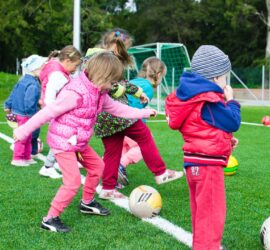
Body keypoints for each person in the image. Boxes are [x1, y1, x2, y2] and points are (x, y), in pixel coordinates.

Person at [13, 52, 157, 233]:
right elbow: (47, 112)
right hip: (63, 142)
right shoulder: (75, 93)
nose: (115, 86)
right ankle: (50, 219)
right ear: (102, 76)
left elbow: (117, 109)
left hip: (78, 142)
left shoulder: (100, 92)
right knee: (72, 182)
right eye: (113, 82)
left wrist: (143, 113)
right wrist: (23, 131)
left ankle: (87, 203)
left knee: (98, 167)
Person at [85, 29, 183, 199]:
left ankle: (108, 189)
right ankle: (160, 172)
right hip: (117, 114)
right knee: (144, 135)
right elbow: (114, 87)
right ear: (116, 46)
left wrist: (138, 93)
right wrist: (140, 108)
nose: (126, 52)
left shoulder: (97, 59)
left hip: (103, 118)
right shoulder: (107, 61)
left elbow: (121, 83)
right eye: (125, 47)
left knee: (112, 152)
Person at [165, 45, 241, 250]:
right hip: (208, 167)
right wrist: (232, 100)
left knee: (201, 214)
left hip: (194, 163)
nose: (225, 82)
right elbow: (233, 121)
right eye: (224, 77)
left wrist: (226, 140)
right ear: (215, 77)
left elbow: (202, 127)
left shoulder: (191, 97)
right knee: (211, 216)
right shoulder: (208, 100)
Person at [117, 57, 166, 187]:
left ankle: (113, 176)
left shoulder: (135, 81)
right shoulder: (148, 88)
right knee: (143, 146)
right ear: (159, 74)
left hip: (116, 120)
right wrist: (142, 114)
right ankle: (120, 165)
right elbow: (133, 105)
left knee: (123, 147)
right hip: (128, 121)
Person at [38, 45, 82, 179]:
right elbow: (50, 94)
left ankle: (68, 160)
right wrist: (53, 111)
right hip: (56, 112)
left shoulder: (59, 71)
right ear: (67, 61)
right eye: (75, 66)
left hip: (56, 110)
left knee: (69, 136)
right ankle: (47, 167)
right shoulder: (58, 75)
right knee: (62, 138)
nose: (75, 70)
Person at [4, 55, 47, 167]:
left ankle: (26, 157)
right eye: (42, 68)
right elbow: (29, 102)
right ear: (35, 68)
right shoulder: (33, 84)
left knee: (28, 136)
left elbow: (13, 93)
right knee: (23, 137)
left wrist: (7, 104)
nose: (43, 71)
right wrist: (33, 115)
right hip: (26, 115)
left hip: (18, 112)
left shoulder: (22, 80)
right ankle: (18, 158)